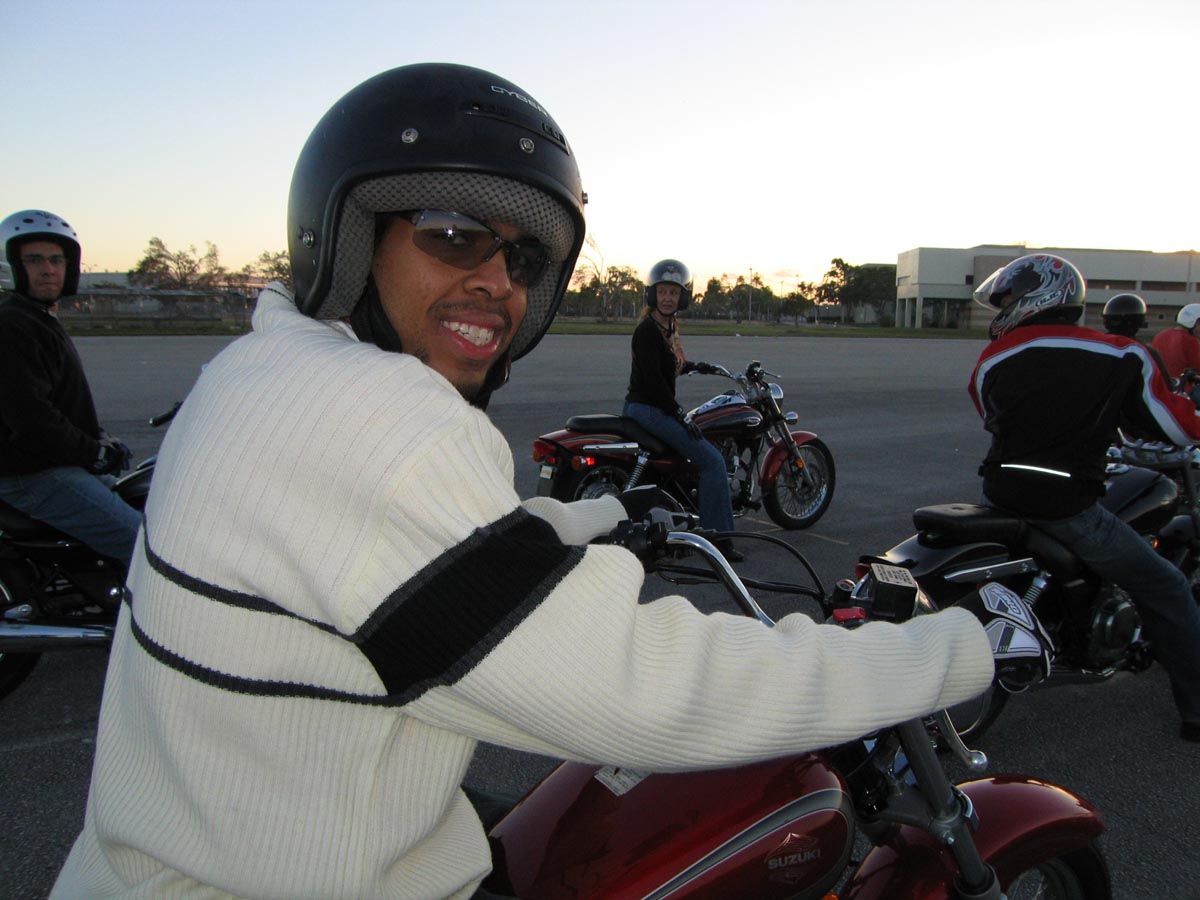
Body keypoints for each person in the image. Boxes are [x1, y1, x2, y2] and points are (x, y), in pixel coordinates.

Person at [52, 64, 1011, 900]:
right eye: (452, 233)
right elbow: (638, 691)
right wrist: (955, 649)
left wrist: (591, 515)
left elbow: (395, 561)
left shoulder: (259, 369)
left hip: (183, 851)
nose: (498, 281)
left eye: (522, 257)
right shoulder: (381, 420)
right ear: (350, 241)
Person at [970, 252, 1200, 745]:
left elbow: (991, 415)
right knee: (1167, 587)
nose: (1002, 309)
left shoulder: (993, 358)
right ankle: (1197, 710)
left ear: (1036, 298)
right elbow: (1174, 427)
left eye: (1007, 300)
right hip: (1066, 502)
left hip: (1001, 491)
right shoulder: (1123, 353)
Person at [0, 209, 140, 566]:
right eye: (34, 260)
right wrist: (93, 454)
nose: (48, 269)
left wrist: (99, 439)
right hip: (32, 475)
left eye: (56, 259)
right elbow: (33, 419)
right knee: (147, 547)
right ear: (11, 266)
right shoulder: (11, 324)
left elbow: (59, 402)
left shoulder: (37, 318)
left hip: (49, 464)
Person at [622, 259, 741, 560]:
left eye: (673, 293)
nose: (667, 298)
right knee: (712, 461)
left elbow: (672, 365)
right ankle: (719, 541)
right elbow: (652, 382)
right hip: (647, 408)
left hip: (654, 407)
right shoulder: (647, 332)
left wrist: (700, 366)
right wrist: (678, 414)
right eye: (662, 292)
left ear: (682, 297)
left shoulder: (668, 328)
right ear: (653, 294)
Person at [1151, 303, 1200, 405]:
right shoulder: (1190, 341)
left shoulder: (1160, 336)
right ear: (1193, 322)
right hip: (1185, 391)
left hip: (1161, 389)